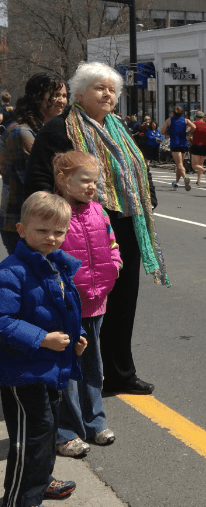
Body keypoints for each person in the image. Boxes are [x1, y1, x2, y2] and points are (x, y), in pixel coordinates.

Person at [25, 60, 167, 397]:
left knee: (122, 303)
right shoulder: (58, 130)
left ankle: (120, 373)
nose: (108, 94)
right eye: (99, 88)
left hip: (125, 225)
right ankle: (78, 382)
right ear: (80, 92)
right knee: (81, 307)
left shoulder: (118, 126)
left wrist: (150, 198)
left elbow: (136, 168)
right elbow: (40, 183)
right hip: (79, 230)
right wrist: (52, 228)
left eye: (112, 90)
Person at [0, 192, 85, 507]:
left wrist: (75, 339)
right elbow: (2, 321)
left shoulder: (53, 264)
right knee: (30, 436)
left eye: (58, 232)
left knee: (47, 429)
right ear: (21, 230)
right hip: (22, 371)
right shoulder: (12, 272)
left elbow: (61, 310)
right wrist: (42, 339)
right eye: (42, 230)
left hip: (50, 365)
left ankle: (40, 479)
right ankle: (20, 502)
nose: (51, 238)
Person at [52, 151, 120, 458]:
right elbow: (46, 253)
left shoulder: (99, 212)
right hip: (66, 305)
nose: (92, 186)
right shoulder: (54, 212)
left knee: (93, 364)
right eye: (84, 180)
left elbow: (112, 243)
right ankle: (66, 431)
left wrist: (115, 264)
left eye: (95, 181)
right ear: (63, 180)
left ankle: (95, 423)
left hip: (96, 301)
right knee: (66, 368)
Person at [0, 74, 68, 255]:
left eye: (64, 95)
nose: (61, 101)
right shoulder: (21, 131)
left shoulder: (47, 129)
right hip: (20, 222)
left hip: (45, 220)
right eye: (55, 95)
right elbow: (36, 178)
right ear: (38, 97)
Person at [161, 106, 195, 191]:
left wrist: (169, 132)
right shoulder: (185, 120)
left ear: (173, 113)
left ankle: (185, 178)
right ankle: (176, 182)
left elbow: (162, 131)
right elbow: (194, 127)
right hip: (184, 143)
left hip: (175, 144)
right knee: (180, 165)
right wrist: (188, 132)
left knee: (179, 164)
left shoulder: (169, 120)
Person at [189, 111, 206, 187]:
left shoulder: (194, 123)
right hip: (205, 146)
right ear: (203, 117)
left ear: (196, 117)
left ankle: (205, 171)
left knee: (194, 166)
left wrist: (189, 138)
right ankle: (198, 181)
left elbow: (188, 132)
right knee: (200, 164)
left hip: (196, 145)